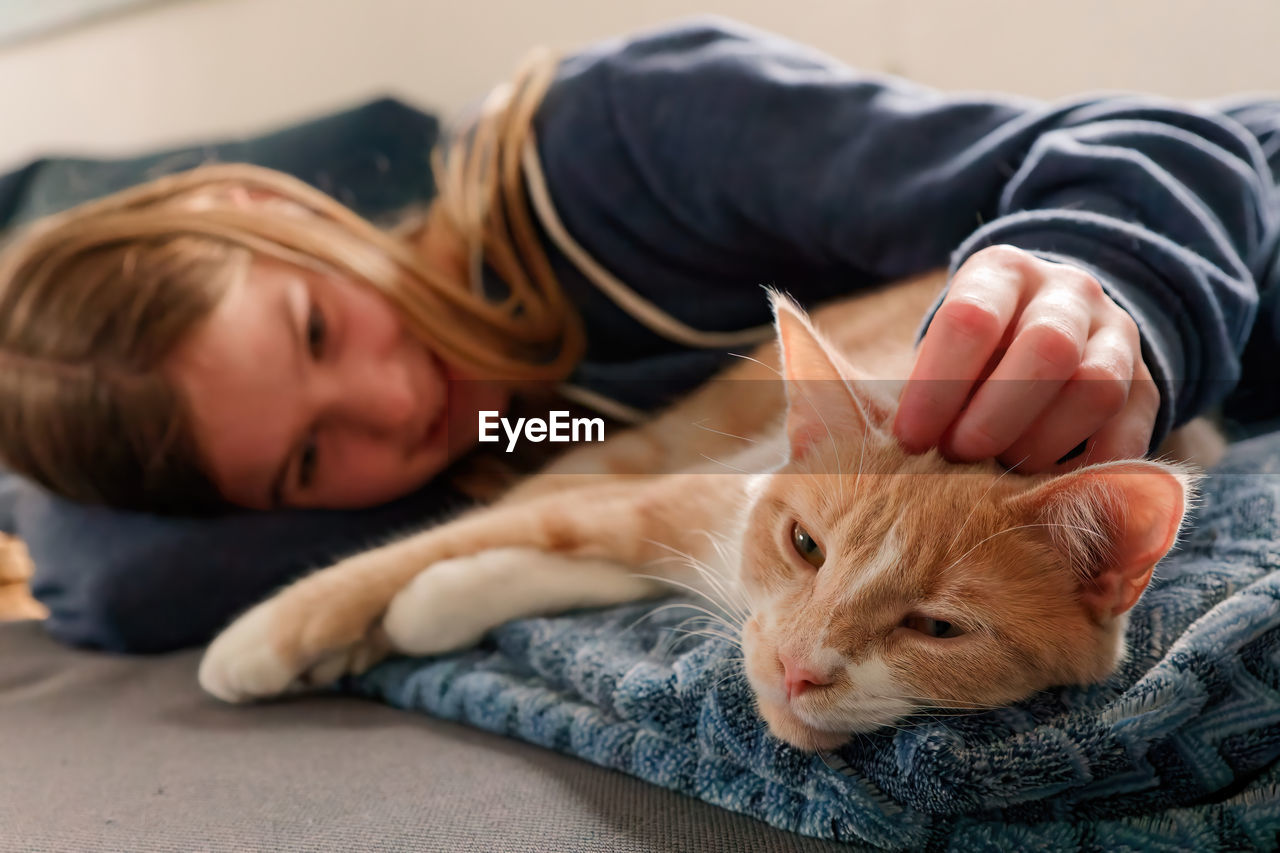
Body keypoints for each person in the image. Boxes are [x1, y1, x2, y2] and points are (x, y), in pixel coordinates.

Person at [0, 18, 1275, 646]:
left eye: (319, 331)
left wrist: (1103, 281)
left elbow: (1152, 142)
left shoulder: (611, 144)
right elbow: (120, 582)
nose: (391, 407)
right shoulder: (515, 424)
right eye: (305, 464)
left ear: (259, 203)